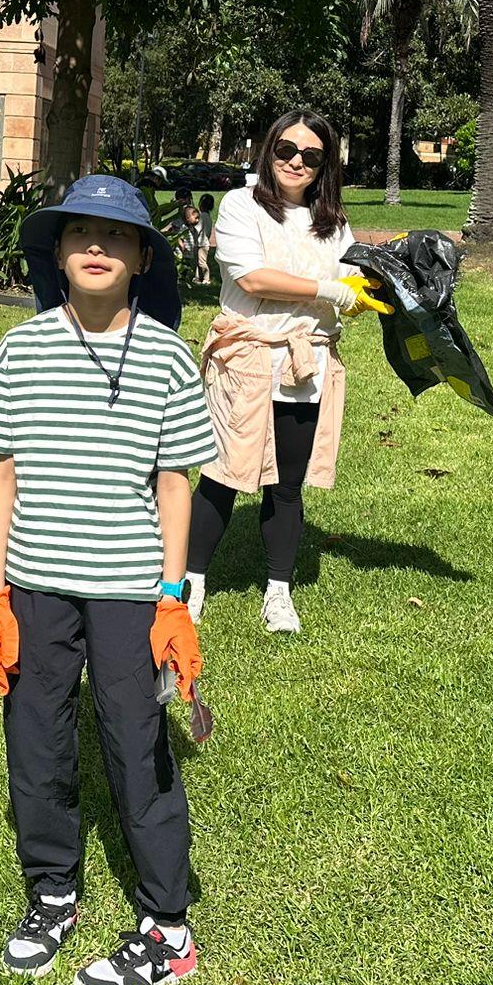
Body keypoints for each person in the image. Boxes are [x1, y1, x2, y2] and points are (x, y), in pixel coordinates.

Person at [0, 175, 217, 985]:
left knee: (134, 739)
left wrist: (173, 596)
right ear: (58, 253)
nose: (97, 248)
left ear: (144, 256)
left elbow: (175, 482)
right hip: (36, 586)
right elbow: (0, 476)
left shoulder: (167, 357)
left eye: (116, 236)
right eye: (79, 234)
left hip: (129, 588)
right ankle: (52, 891)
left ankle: (167, 927)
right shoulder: (21, 348)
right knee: (36, 737)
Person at [185, 109, 371, 634]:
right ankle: (190, 583)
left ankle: (278, 591)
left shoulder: (332, 222)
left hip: (305, 363)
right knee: (222, 477)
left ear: (324, 165)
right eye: (286, 149)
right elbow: (252, 276)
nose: (296, 162)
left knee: (287, 485)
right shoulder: (242, 205)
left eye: (311, 156)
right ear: (268, 150)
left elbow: (354, 273)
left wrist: (364, 292)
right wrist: (328, 291)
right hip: (245, 358)